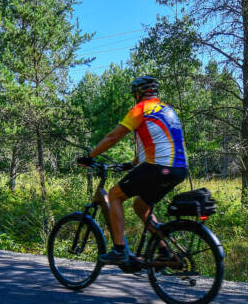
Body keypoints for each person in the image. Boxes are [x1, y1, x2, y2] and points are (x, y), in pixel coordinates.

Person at [77, 75, 188, 265]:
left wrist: (91, 156)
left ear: (137, 93)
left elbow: (114, 137)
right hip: (179, 169)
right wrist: (133, 163)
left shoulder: (139, 110)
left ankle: (119, 249)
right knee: (140, 206)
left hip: (157, 167)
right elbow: (158, 142)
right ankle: (164, 251)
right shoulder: (168, 110)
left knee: (114, 195)